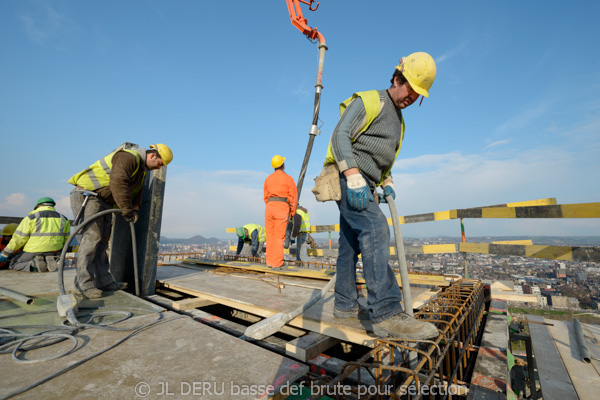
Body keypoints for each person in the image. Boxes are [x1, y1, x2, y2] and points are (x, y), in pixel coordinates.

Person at [323, 52, 439, 340]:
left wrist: (386, 180)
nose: (412, 96)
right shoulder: (370, 101)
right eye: (411, 88)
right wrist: (352, 176)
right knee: (376, 228)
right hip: (347, 178)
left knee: (350, 245)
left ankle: (345, 305)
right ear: (398, 78)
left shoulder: (398, 121)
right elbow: (340, 137)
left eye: (418, 94)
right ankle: (387, 313)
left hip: (366, 184)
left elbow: (380, 157)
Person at [68, 143, 173, 299]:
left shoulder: (140, 170)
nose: (158, 168)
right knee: (91, 239)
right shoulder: (128, 157)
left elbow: (137, 191)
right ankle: (84, 285)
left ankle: (104, 281)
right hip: (88, 195)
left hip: (103, 201)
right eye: (159, 164)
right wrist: (126, 210)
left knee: (102, 241)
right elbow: (118, 182)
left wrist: (135, 208)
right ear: (153, 156)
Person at [0, 198, 70, 272]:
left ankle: (34, 264)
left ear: (38, 206)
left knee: (13, 264)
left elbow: (18, 239)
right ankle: (49, 260)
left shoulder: (31, 218)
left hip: (34, 251)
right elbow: (66, 239)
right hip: (54, 251)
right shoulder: (64, 219)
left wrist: (5, 253)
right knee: (46, 258)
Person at [263, 155, 297, 269]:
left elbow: (265, 197)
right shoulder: (288, 179)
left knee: (270, 235)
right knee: (279, 236)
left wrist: (271, 205)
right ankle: (277, 263)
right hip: (282, 208)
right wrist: (292, 211)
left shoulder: (268, 179)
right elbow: (293, 197)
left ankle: (269, 261)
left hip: (269, 207)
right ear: (283, 165)